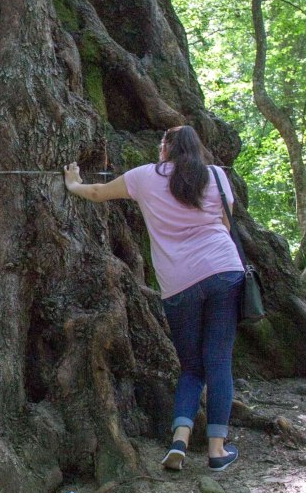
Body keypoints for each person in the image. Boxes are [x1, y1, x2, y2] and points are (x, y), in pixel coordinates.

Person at [64, 125, 244, 472]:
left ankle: (180, 440)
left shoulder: (146, 177)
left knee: (192, 367)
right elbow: (226, 222)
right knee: (218, 360)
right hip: (224, 270)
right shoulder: (217, 176)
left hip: (179, 282)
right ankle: (217, 451)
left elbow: (100, 192)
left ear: (165, 148)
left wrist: (73, 184)